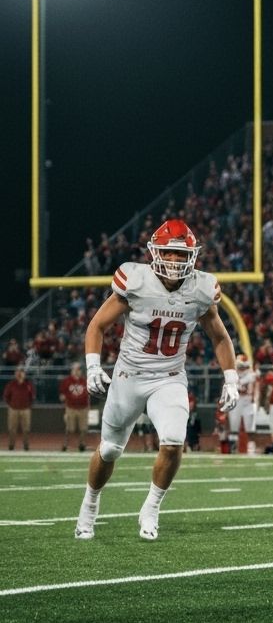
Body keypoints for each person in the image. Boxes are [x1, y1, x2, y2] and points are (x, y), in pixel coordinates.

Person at [74, 219, 238, 541]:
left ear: (192, 256)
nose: (175, 261)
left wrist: (231, 378)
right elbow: (96, 326)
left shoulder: (202, 289)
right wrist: (93, 367)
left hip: (169, 376)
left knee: (175, 441)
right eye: (168, 253)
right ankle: (89, 505)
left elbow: (219, 337)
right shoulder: (135, 281)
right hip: (129, 375)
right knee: (109, 450)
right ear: (155, 252)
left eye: (180, 255)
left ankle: (151, 508)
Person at [226, 353, 260, 454]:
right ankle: (233, 448)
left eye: (244, 367)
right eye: (241, 366)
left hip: (248, 402)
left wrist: (256, 401)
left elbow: (257, 390)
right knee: (233, 427)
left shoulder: (252, 375)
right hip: (236, 400)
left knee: (250, 428)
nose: (243, 369)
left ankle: (251, 449)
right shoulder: (232, 375)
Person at [59, 361, 90, 452]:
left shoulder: (84, 381)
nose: (77, 371)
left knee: (83, 428)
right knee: (69, 428)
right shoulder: (66, 381)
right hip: (71, 408)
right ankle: (66, 443)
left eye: (78, 369)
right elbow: (62, 394)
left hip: (83, 408)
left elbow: (88, 394)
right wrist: (64, 397)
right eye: (75, 369)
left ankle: (81, 444)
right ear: (71, 370)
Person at [4, 366, 35, 451]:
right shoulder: (11, 384)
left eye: (21, 372)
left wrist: (28, 405)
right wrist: (11, 405)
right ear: (15, 374)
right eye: (18, 372)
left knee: (26, 429)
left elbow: (32, 396)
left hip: (25, 409)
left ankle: (26, 445)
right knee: (12, 428)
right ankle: (11, 445)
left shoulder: (28, 385)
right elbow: (6, 396)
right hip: (13, 409)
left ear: (24, 374)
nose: (19, 374)